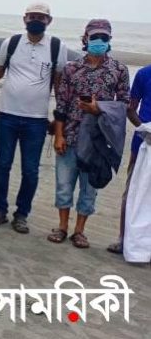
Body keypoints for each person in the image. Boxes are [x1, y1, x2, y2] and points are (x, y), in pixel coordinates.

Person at [0, 3, 67, 234]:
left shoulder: (58, 47)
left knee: (30, 170)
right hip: (6, 115)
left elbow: (60, 88)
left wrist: (59, 123)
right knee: (2, 165)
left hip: (36, 121)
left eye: (41, 17)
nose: (36, 20)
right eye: (32, 16)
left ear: (49, 21)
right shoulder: (12, 42)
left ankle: (22, 214)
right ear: (24, 18)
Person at [48, 19, 129, 249]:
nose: (99, 42)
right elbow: (61, 105)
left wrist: (99, 108)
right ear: (85, 39)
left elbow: (123, 105)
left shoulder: (119, 70)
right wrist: (59, 135)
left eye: (104, 38)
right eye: (95, 37)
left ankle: (79, 231)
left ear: (109, 40)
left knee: (89, 187)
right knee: (64, 184)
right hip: (71, 135)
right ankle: (62, 227)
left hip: (98, 141)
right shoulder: (71, 69)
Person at [108, 63, 151, 254]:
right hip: (144, 141)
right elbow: (130, 109)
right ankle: (123, 238)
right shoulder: (144, 74)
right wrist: (145, 129)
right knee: (132, 189)